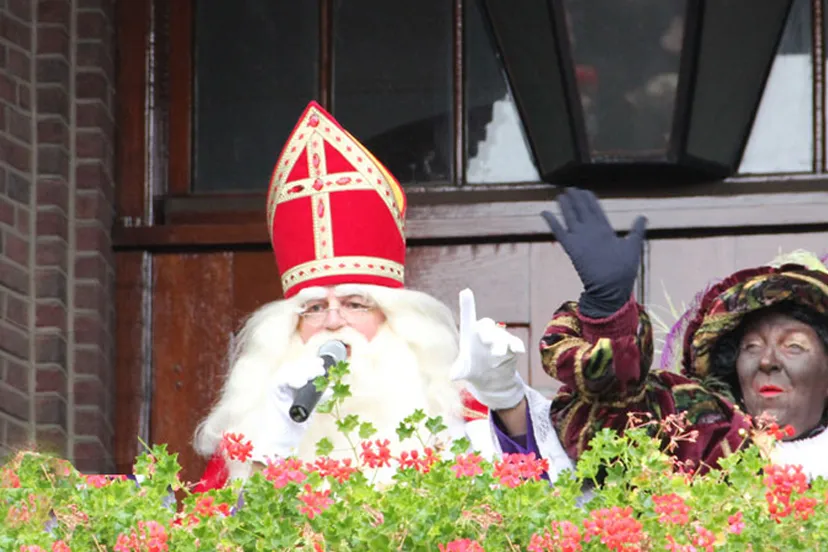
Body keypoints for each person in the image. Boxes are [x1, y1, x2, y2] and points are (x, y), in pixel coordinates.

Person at [191, 102, 504, 491]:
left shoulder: (452, 407)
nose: (333, 321)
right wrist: (273, 443)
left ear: (395, 318)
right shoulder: (254, 426)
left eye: (355, 304)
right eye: (314, 308)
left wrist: (508, 400)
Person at [458, 187, 828, 480]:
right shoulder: (701, 437)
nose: (767, 361)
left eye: (794, 346)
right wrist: (608, 315)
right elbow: (619, 418)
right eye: (751, 346)